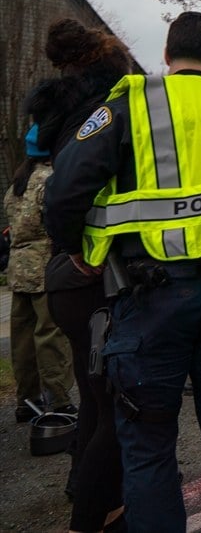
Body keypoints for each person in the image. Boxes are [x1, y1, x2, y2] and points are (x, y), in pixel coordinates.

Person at [44, 12, 201, 532]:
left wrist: (79, 252)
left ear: (168, 56)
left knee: (148, 446)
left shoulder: (133, 101)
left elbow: (63, 190)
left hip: (152, 296)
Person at [28, 17, 133, 529]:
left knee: (93, 396)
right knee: (116, 404)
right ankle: (97, 512)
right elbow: (67, 191)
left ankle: (82, 486)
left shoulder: (58, 110)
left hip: (65, 275)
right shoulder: (109, 106)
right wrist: (80, 251)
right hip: (89, 273)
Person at [4, 124, 75, 423]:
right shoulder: (50, 180)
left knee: (22, 339)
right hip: (45, 267)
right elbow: (57, 221)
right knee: (50, 334)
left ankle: (26, 400)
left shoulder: (17, 184)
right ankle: (59, 400)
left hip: (18, 269)